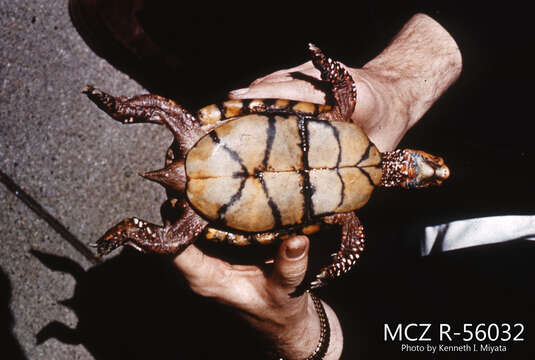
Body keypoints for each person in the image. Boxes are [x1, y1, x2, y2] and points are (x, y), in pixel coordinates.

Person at [170, 14, 462, 360]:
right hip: (215, 196)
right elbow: (349, 248)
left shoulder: (348, 206)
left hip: (216, 171)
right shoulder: (347, 216)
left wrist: (305, 334)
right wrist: (392, 89)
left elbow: (342, 91)